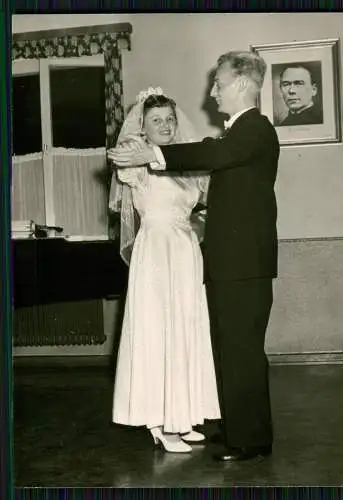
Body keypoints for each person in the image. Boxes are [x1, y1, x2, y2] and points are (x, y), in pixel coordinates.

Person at [108, 51, 280, 463]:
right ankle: (234, 427)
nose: (213, 91)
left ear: (240, 83)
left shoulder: (254, 129)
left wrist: (154, 155)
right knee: (226, 346)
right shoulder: (238, 133)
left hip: (242, 265)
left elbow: (212, 155)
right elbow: (210, 157)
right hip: (225, 262)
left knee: (241, 349)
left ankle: (250, 441)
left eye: (218, 83)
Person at [109, 87, 221, 454]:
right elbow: (121, 161)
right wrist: (131, 150)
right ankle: (158, 423)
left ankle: (183, 416)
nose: (166, 126)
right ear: (142, 126)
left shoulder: (185, 165)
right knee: (158, 331)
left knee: (185, 329)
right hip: (156, 253)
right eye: (156, 121)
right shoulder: (138, 165)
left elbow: (197, 208)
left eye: (170, 119)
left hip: (185, 251)